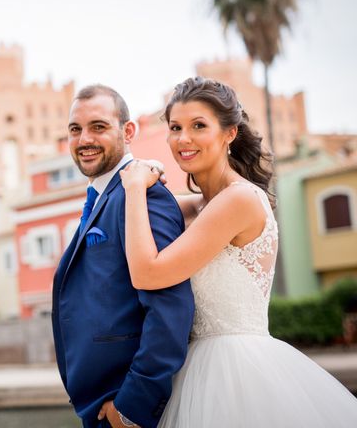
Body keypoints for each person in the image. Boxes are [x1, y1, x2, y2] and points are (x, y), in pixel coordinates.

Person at [119, 76, 357, 427]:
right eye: (175, 127)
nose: (183, 139)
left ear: (230, 133)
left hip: (238, 372)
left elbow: (147, 273)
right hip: (191, 368)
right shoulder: (196, 208)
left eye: (198, 126)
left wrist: (136, 187)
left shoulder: (240, 199)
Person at [52, 84, 195, 428]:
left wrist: (132, 408)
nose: (84, 139)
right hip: (99, 403)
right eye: (75, 129)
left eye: (98, 127)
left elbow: (170, 309)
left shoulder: (144, 196)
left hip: (127, 408)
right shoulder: (106, 194)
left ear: (128, 131)